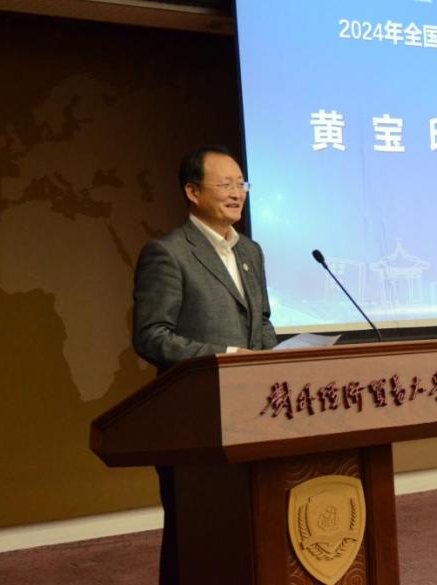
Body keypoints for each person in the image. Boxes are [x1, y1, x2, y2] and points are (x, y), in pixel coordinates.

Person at [132, 145, 277, 584]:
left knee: (251, 526)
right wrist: (228, 357)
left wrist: (275, 364)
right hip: (194, 417)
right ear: (193, 192)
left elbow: (261, 323)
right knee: (193, 533)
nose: (237, 193)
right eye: (225, 184)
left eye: (241, 184)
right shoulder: (168, 252)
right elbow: (152, 336)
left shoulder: (250, 251)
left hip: (251, 414)